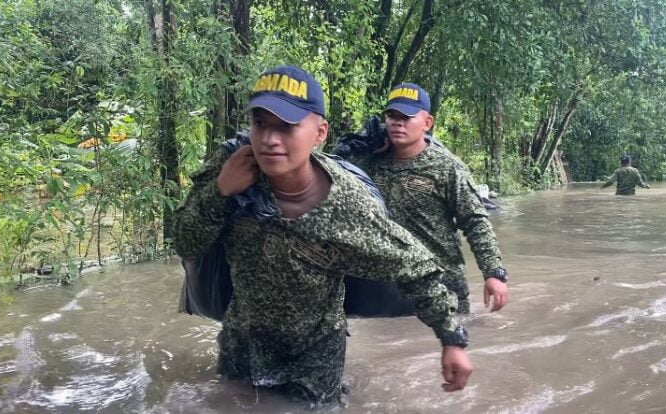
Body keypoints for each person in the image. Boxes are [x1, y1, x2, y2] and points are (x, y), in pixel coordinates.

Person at [171, 66, 472, 406]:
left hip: (315, 359)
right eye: (260, 124)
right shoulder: (231, 170)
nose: (270, 139)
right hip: (243, 345)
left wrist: (452, 340)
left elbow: (414, 267)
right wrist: (220, 191)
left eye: (286, 127)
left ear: (320, 133)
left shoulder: (347, 203)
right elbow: (185, 243)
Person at [335, 83, 509, 314]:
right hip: (387, 290)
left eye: (406, 117)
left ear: (427, 123)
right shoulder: (369, 161)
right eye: (392, 116)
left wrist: (493, 273)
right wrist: (348, 151)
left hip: (439, 285)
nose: (397, 122)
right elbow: (330, 193)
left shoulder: (447, 167)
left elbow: (475, 222)